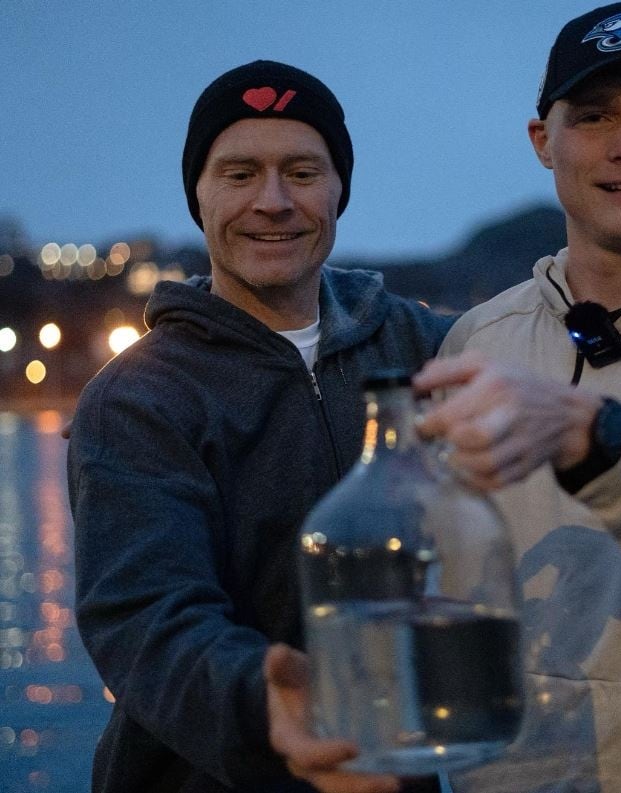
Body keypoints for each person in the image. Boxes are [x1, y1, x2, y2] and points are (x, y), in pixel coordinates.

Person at [265, 4, 621, 792]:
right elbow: (430, 578)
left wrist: (594, 437)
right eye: (595, 115)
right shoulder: (478, 338)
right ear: (544, 140)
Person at [67, 59, 455, 793]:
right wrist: (262, 702)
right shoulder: (138, 398)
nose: (272, 201)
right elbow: (147, 618)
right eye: (239, 174)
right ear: (199, 197)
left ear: (339, 188)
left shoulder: (417, 346)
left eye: (302, 172)